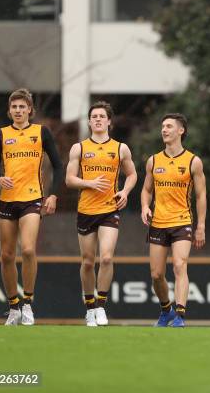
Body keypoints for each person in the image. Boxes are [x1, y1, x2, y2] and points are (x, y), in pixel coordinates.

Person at [0, 88, 63, 326]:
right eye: (14, 107)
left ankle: (28, 303)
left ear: (30, 109)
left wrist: (52, 195)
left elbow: (59, 166)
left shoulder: (41, 132)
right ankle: (13, 307)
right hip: (8, 200)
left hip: (33, 198)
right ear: (9, 111)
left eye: (23, 107)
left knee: (28, 250)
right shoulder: (1, 134)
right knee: (7, 255)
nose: (18, 111)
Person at [65, 101, 137, 327]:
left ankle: (101, 306)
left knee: (106, 257)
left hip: (109, 209)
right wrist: (89, 183)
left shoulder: (120, 148)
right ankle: (89, 308)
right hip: (86, 210)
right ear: (89, 122)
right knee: (87, 262)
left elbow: (133, 174)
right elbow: (69, 179)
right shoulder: (79, 148)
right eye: (94, 116)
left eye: (101, 116)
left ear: (109, 122)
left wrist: (124, 191)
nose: (97, 119)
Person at [141, 113, 206, 328]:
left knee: (180, 265)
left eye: (169, 126)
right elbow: (146, 190)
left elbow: (200, 196)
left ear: (181, 131)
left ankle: (180, 315)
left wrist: (201, 226)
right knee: (157, 274)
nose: (164, 130)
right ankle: (166, 310)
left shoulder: (193, 162)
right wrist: (144, 206)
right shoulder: (153, 161)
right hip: (158, 223)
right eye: (163, 126)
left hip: (182, 221)